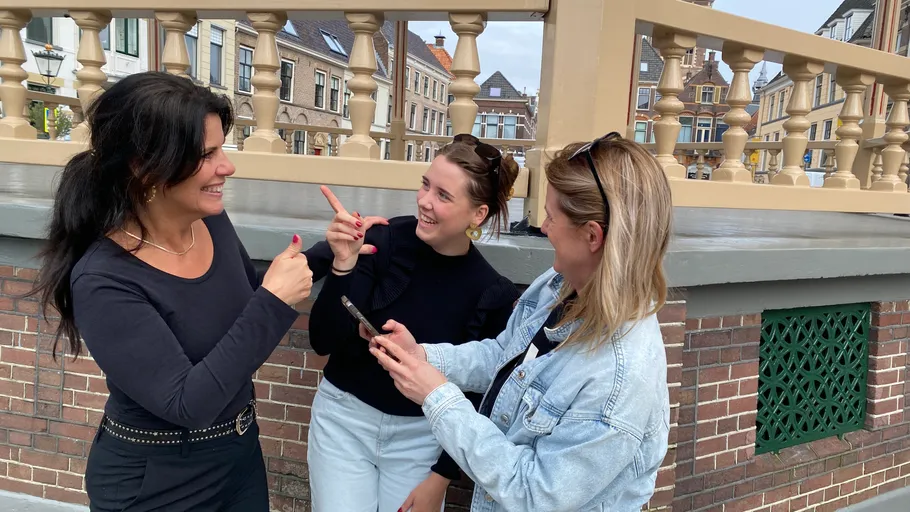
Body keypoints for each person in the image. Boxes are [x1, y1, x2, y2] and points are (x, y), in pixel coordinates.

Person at [29, 72, 384, 512]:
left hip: (237, 458)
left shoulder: (208, 221)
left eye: (223, 148)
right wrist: (274, 303)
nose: (227, 166)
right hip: (156, 481)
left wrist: (325, 253)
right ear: (145, 167)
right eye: (207, 154)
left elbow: (240, 303)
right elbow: (187, 403)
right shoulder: (104, 280)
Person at [368, 133, 673, 511]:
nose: (543, 227)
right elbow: (504, 354)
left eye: (551, 216)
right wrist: (425, 358)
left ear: (592, 235)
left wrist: (437, 397)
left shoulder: (619, 377)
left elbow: (535, 493)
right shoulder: (559, 285)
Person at [306, 134, 522, 512]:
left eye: (443, 195)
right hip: (344, 420)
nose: (424, 200)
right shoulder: (384, 241)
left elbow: (478, 396)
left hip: (422, 438)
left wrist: (440, 477)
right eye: (426, 184)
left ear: (478, 214)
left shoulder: (490, 291)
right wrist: (342, 264)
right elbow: (321, 339)